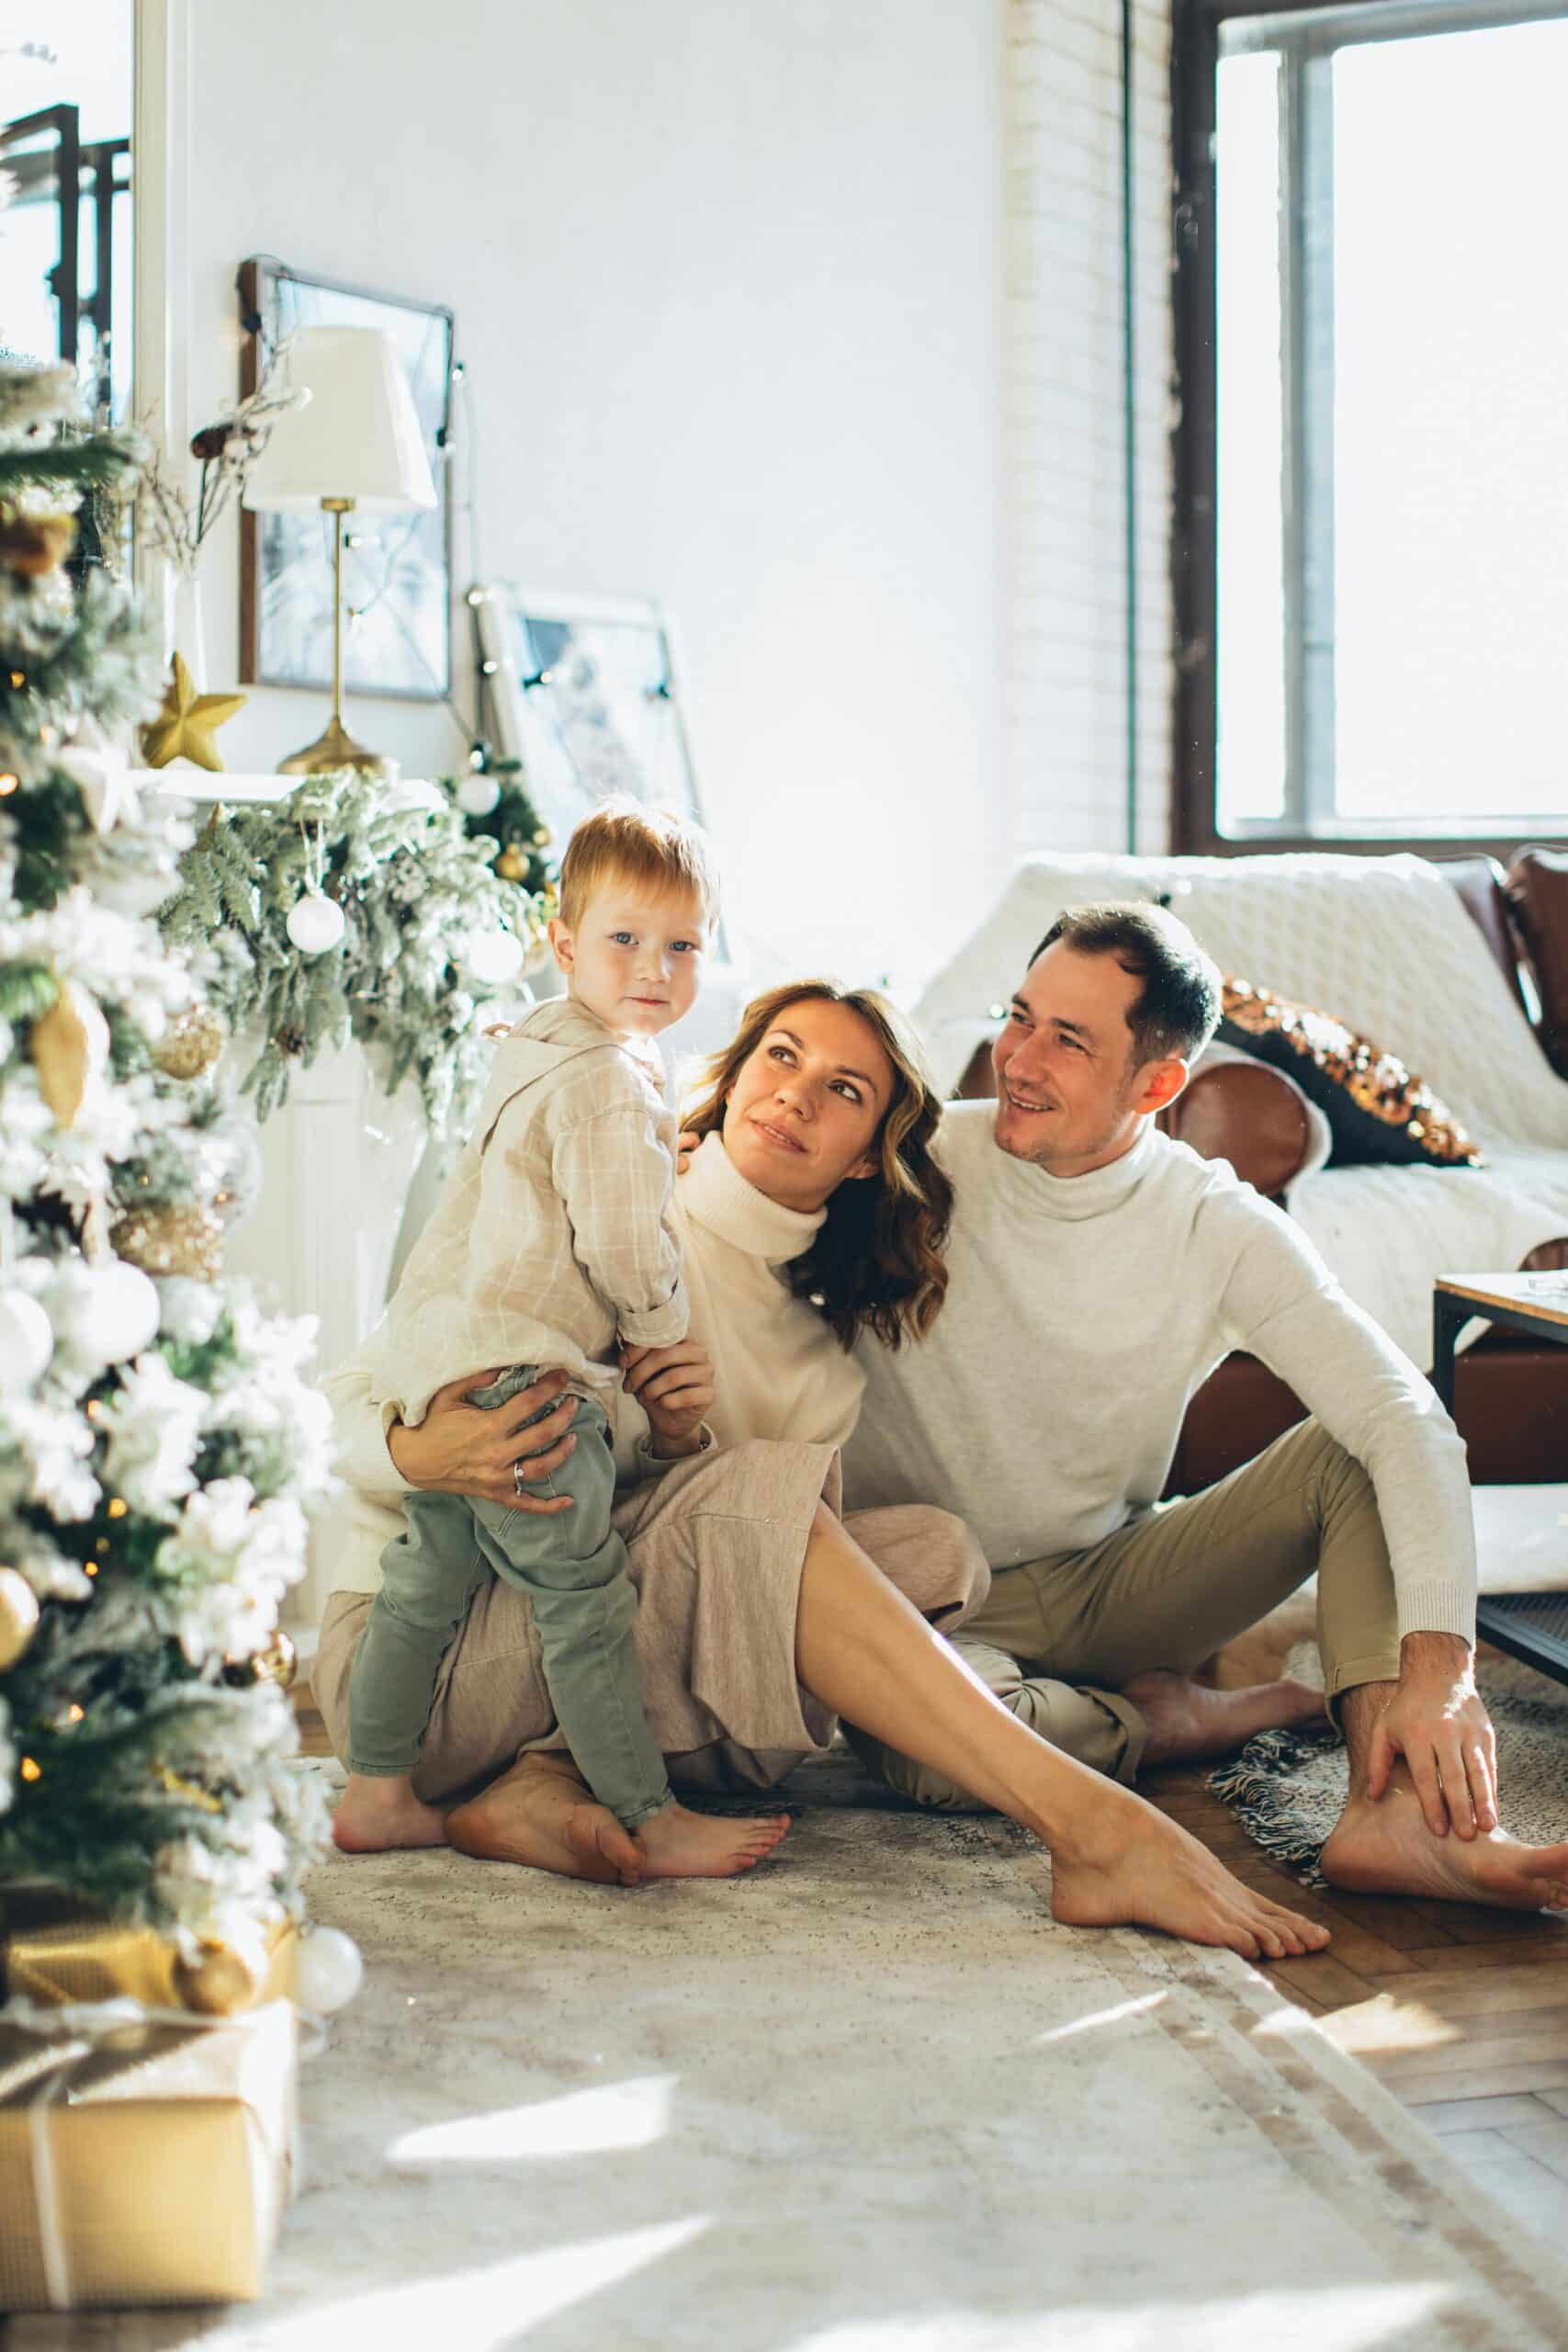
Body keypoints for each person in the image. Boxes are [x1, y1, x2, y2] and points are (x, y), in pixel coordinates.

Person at [313, 976, 1330, 1961]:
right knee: (762, 1499)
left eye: (843, 1090)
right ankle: (1097, 1827)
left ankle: (542, 1784)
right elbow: (336, 1410)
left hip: (584, 1652)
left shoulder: (819, 1367)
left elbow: (685, 1558)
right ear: (737, 1072)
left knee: (932, 1552)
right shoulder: (601, 1197)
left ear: (862, 1159)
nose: (795, 1094)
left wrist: (673, 1443)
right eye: (782, 1056)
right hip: (421, 1659)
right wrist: (417, 1451)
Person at [843, 901, 1568, 1916]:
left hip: (1111, 1578)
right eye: (1020, 1016)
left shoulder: (1214, 1221)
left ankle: (1389, 1811)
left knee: (1350, 1453)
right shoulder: (915, 1160)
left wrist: (1442, 1670)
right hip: (928, 1594)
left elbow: (1408, 1418)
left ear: (1159, 1083)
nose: (1018, 1057)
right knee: (939, 1763)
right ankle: (1170, 1721)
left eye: (1068, 1039)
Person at [334, 799, 786, 1881]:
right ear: (564, 939)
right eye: (625, 939)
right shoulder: (613, 1082)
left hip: (445, 1370)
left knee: (425, 1582)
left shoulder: (536, 1043)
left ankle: (374, 1788)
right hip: (532, 1382)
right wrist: (660, 1338)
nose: (653, 969)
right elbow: (627, 1245)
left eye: (681, 945)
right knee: (584, 1605)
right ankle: (645, 1811)